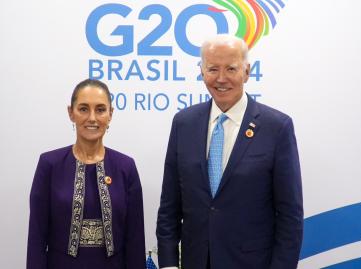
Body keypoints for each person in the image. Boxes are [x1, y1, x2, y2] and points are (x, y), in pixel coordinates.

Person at [156, 35, 303, 269]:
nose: (221, 79)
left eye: (231, 69)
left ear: (247, 71)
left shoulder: (277, 128)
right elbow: (169, 207)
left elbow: (289, 216)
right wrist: (169, 264)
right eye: (213, 69)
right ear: (202, 71)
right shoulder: (183, 123)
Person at [27, 79, 146, 269]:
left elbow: (135, 239)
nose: (92, 118)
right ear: (70, 113)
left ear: (110, 114)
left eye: (100, 109)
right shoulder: (49, 165)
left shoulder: (126, 167)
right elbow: (37, 237)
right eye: (83, 109)